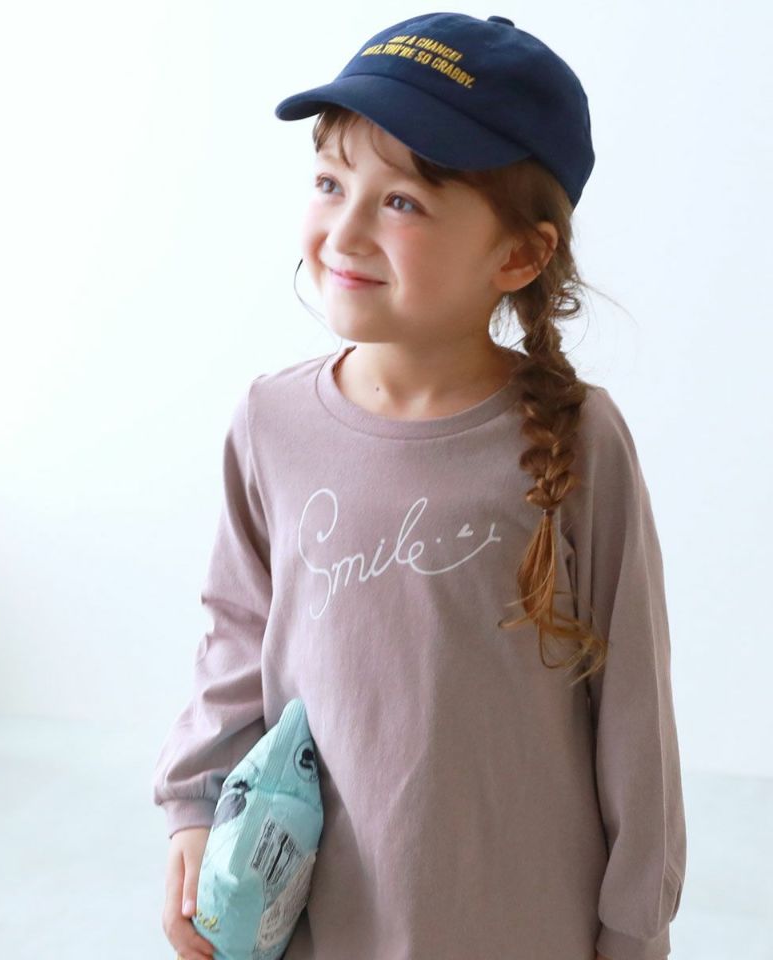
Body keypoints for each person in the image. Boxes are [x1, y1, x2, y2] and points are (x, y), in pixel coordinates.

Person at [153, 12, 687, 960]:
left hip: (523, 926)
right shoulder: (272, 422)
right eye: (331, 183)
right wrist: (195, 810)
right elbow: (234, 633)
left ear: (518, 255)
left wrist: (634, 928)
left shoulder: (577, 441)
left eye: (401, 201)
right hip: (317, 919)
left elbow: (634, 710)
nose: (346, 230)